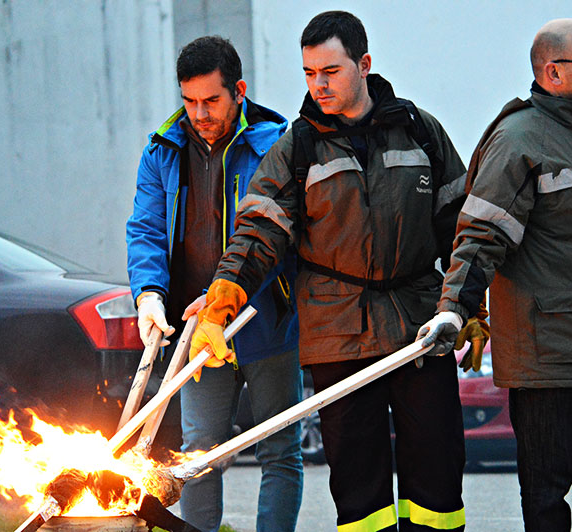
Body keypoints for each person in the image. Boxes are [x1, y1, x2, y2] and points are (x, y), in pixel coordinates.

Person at [188, 11, 484, 532]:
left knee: (438, 478)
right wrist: (220, 305)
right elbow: (257, 235)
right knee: (359, 491)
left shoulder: (420, 132)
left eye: (330, 71)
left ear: (364, 64)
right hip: (337, 335)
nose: (317, 85)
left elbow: (459, 228)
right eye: (308, 73)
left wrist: (469, 308)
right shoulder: (296, 148)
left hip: (420, 326)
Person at [419, 18, 572, 532]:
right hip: (550, 360)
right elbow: (481, 236)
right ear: (553, 72)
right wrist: (453, 310)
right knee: (548, 499)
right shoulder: (517, 140)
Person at [125, 36, 303, 532]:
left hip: (266, 321)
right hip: (196, 331)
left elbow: (281, 237)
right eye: (189, 101)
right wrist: (149, 295)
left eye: (211, 101)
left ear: (239, 90)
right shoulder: (163, 150)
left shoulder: (275, 145)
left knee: (280, 448)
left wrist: (230, 293)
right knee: (198, 455)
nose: (199, 114)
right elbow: (145, 230)